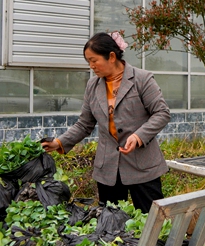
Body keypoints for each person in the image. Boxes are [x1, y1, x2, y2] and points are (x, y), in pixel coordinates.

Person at [41, 32, 170, 213]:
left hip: (142, 166)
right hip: (108, 168)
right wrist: (59, 142)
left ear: (111, 56)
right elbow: (84, 124)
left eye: (94, 60)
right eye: (88, 62)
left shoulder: (142, 79)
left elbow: (162, 113)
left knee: (152, 221)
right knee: (110, 226)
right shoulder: (93, 86)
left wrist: (138, 136)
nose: (92, 66)